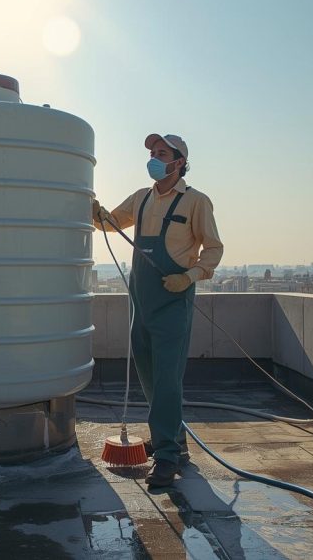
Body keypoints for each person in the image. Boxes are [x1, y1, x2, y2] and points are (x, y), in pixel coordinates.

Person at [92, 133, 224, 487]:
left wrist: (190, 276)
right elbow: (109, 224)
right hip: (142, 301)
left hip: (173, 301)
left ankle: (166, 457)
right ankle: (173, 438)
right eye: (152, 153)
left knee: (167, 379)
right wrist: (96, 211)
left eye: (160, 153)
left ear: (178, 161)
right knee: (150, 376)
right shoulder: (141, 198)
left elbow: (213, 249)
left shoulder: (196, 202)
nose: (153, 157)